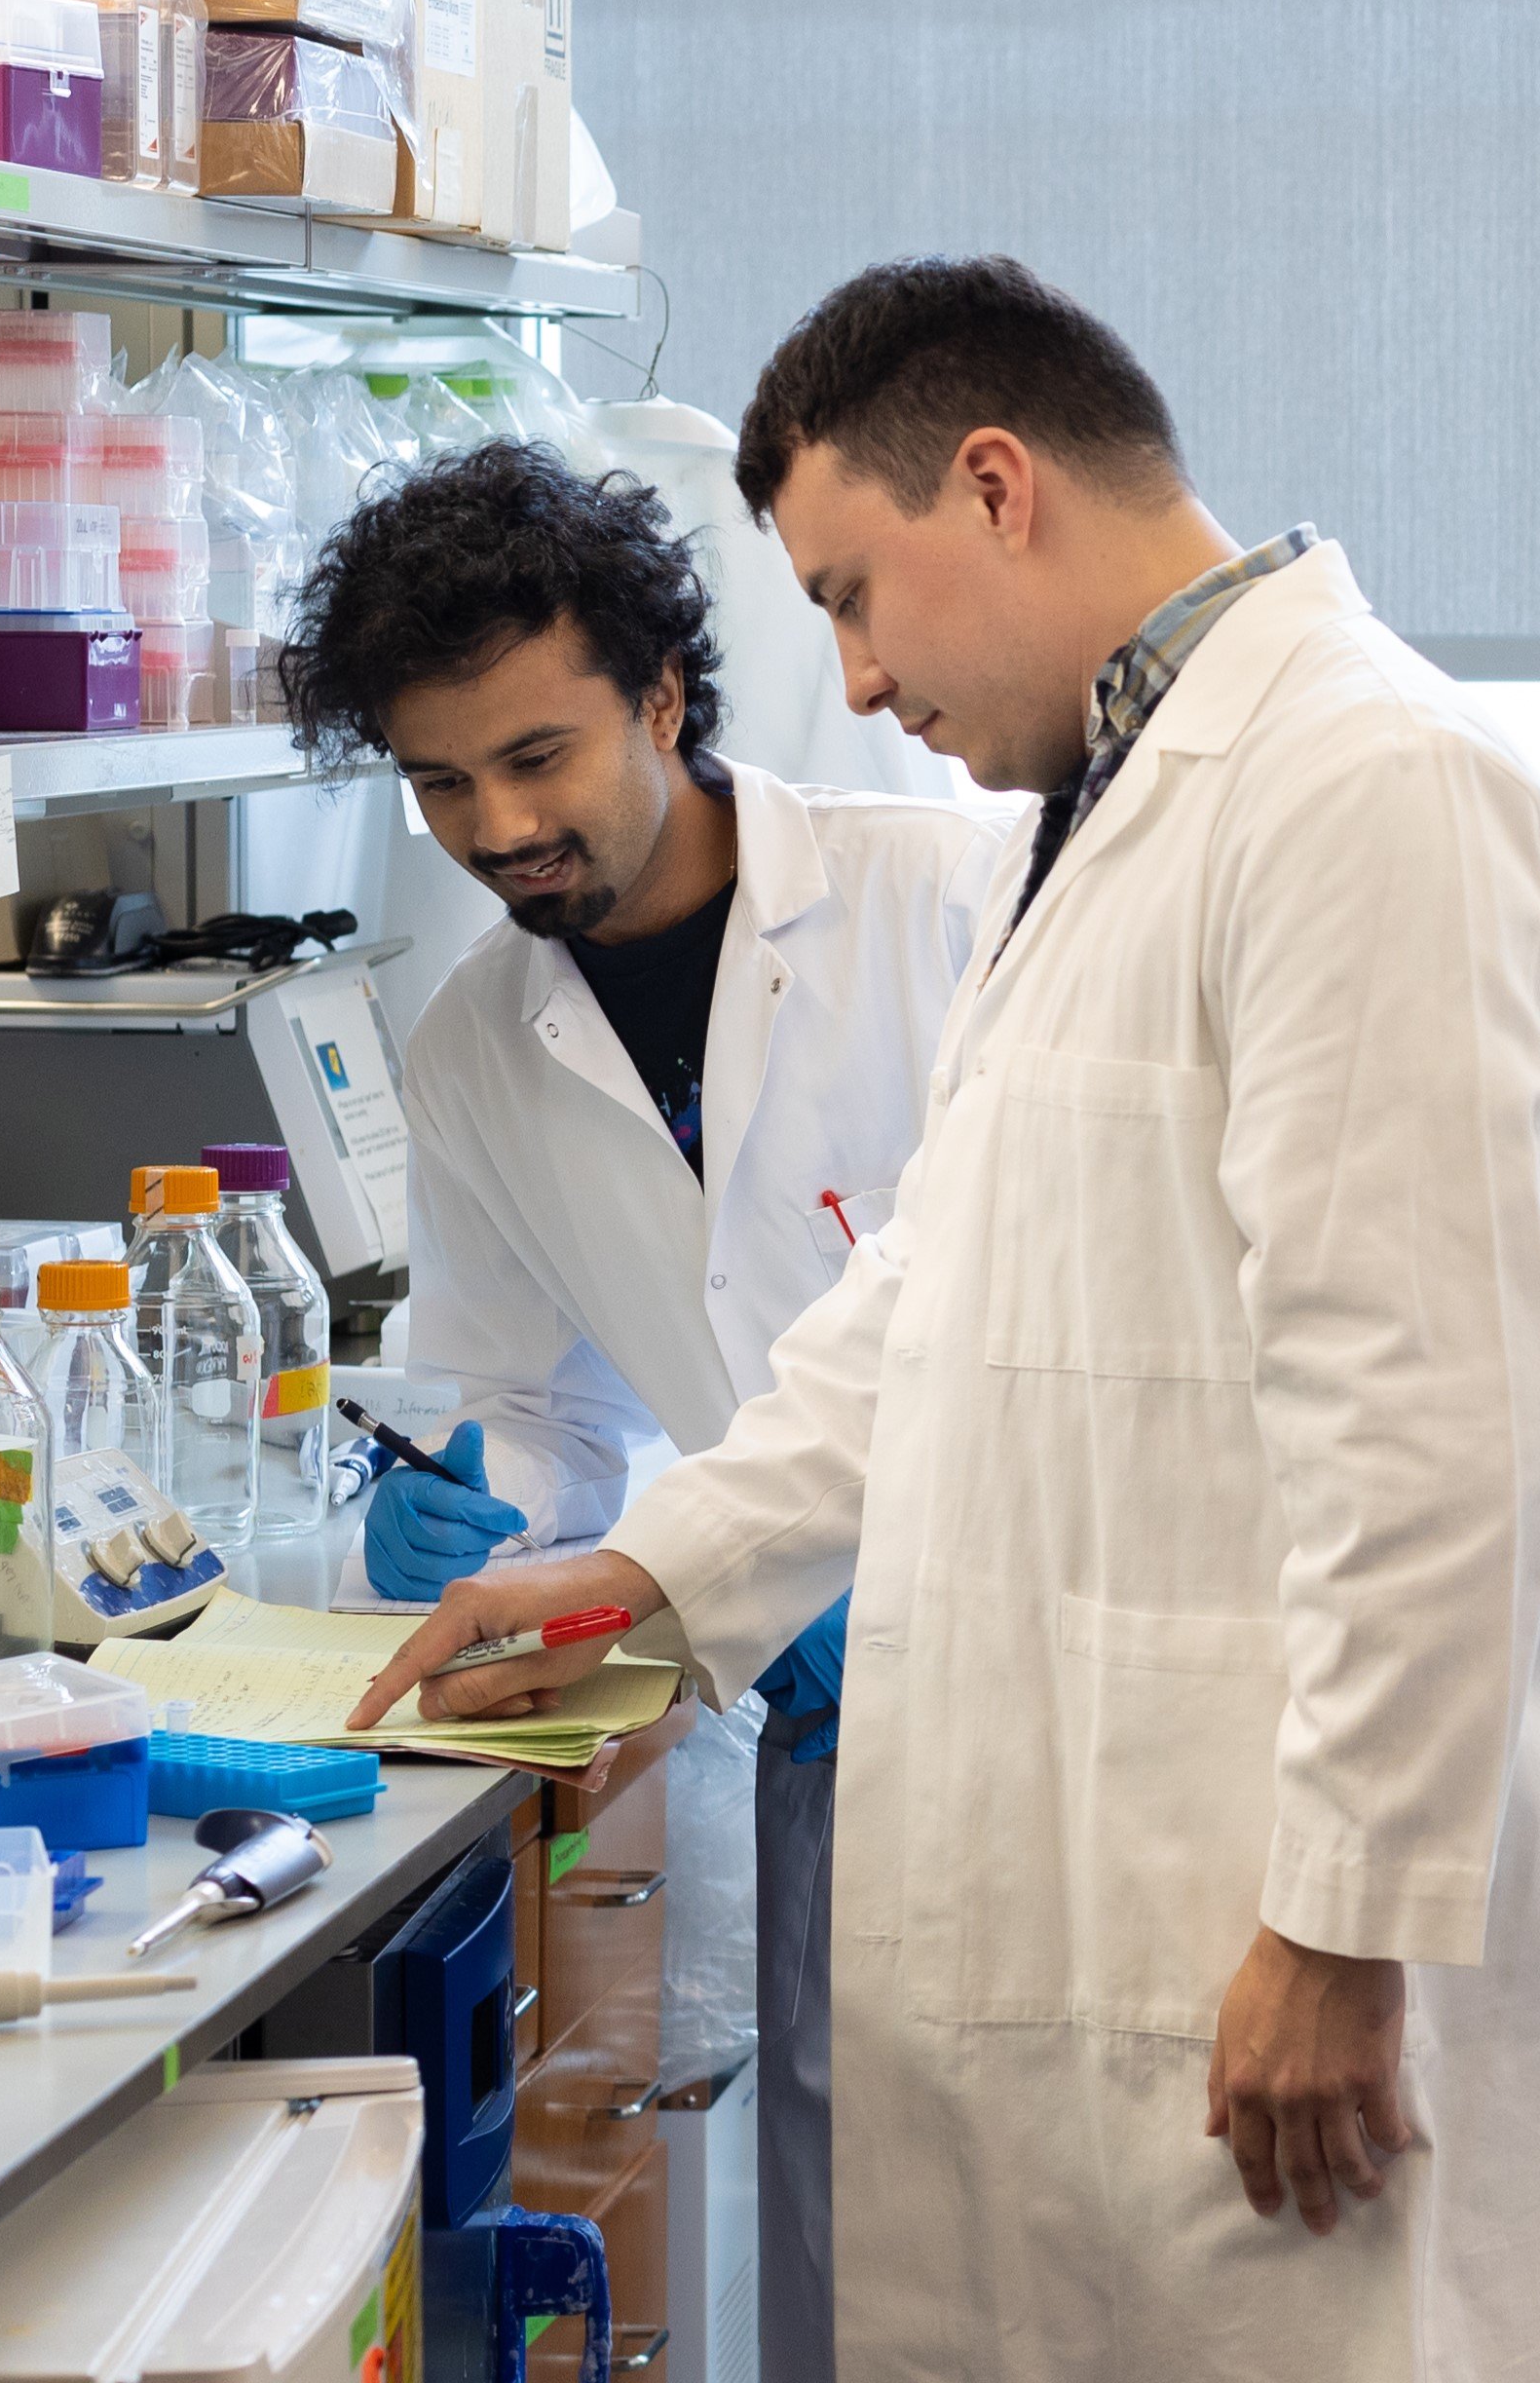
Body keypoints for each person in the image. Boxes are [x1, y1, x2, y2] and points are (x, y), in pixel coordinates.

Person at [344, 255, 1540, 2379]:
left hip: (1280, 1913)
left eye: (853, 596)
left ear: (995, 486)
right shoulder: (1105, 812)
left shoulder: (1366, 787)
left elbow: (1440, 1420)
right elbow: (934, 1291)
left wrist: (1345, 1917)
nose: (857, 677)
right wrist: (653, 1572)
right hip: (1118, 1863)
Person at [279, 437, 1023, 2383]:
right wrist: (479, 1499)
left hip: (1064, 1700)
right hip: (825, 1725)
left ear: (666, 699)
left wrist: (866, 1564)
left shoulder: (948, 901)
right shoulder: (475, 1045)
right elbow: (539, 1404)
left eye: (538, 756)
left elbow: (1071, 1332)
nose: (498, 826)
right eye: (441, 783)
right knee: (863, 2272)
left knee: (1100, 2257)